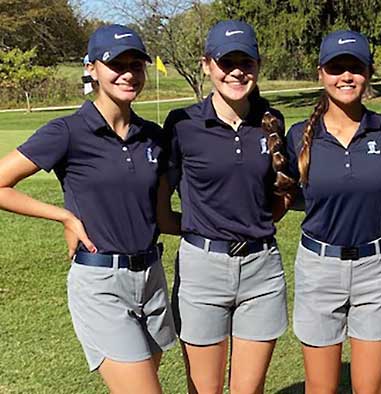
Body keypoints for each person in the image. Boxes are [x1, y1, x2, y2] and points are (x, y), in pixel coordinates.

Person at [0, 25, 176, 393]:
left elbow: (161, 215)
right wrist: (65, 216)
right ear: (92, 68)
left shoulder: (154, 136)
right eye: (116, 63)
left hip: (152, 279)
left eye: (136, 64)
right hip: (102, 284)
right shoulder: (67, 131)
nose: (128, 73)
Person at [157, 20, 292, 394]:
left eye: (245, 62)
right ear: (206, 64)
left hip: (261, 269)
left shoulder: (271, 121)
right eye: (225, 61)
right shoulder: (182, 124)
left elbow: (279, 195)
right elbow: (160, 203)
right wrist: (198, 227)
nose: (236, 71)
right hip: (203, 269)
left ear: (258, 65)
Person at [285, 30, 381, 394]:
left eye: (355, 67)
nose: (346, 76)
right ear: (321, 74)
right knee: (321, 387)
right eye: (336, 68)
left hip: (374, 270)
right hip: (318, 269)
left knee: (371, 386)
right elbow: (284, 199)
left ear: (369, 72)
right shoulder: (298, 136)